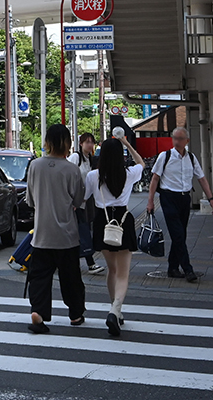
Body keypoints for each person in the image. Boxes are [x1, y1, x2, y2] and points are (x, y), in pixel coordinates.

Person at [25, 123, 86, 334]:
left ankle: (39, 313)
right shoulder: (72, 169)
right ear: (68, 143)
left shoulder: (35, 166)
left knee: (40, 277)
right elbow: (79, 200)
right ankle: (76, 314)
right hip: (67, 235)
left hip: (41, 235)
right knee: (71, 279)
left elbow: (30, 201)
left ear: (47, 143)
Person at [85, 134, 144, 336]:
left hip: (103, 221)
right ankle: (115, 309)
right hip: (123, 220)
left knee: (111, 270)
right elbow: (141, 163)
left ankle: (114, 308)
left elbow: (84, 198)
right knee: (123, 273)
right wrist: (127, 143)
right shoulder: (129, 173)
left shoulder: (93, 175)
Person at [146, 126, 213, 283]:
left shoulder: (191, 158)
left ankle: (172, 268)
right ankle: (188, 269)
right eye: (174, 138)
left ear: (187, 141)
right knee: (178, 234)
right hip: (168, 197)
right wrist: (150, 201)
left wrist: (211, 198)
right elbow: (155, 179)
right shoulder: (165, 156)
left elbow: (202, 178)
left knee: (181, 235)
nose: (176, 141)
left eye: (180, 139)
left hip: (185, 198)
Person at [67, 133, 104, 275]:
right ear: (81, 143)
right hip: (76, 201)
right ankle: (90, 263)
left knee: (81, 231)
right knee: (82, 231)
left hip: (87, 201)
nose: (90, 145)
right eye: (87, 142)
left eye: (91, 142)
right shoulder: (76, 157)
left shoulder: (90, 159)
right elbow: (69, 176)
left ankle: (79, 262)